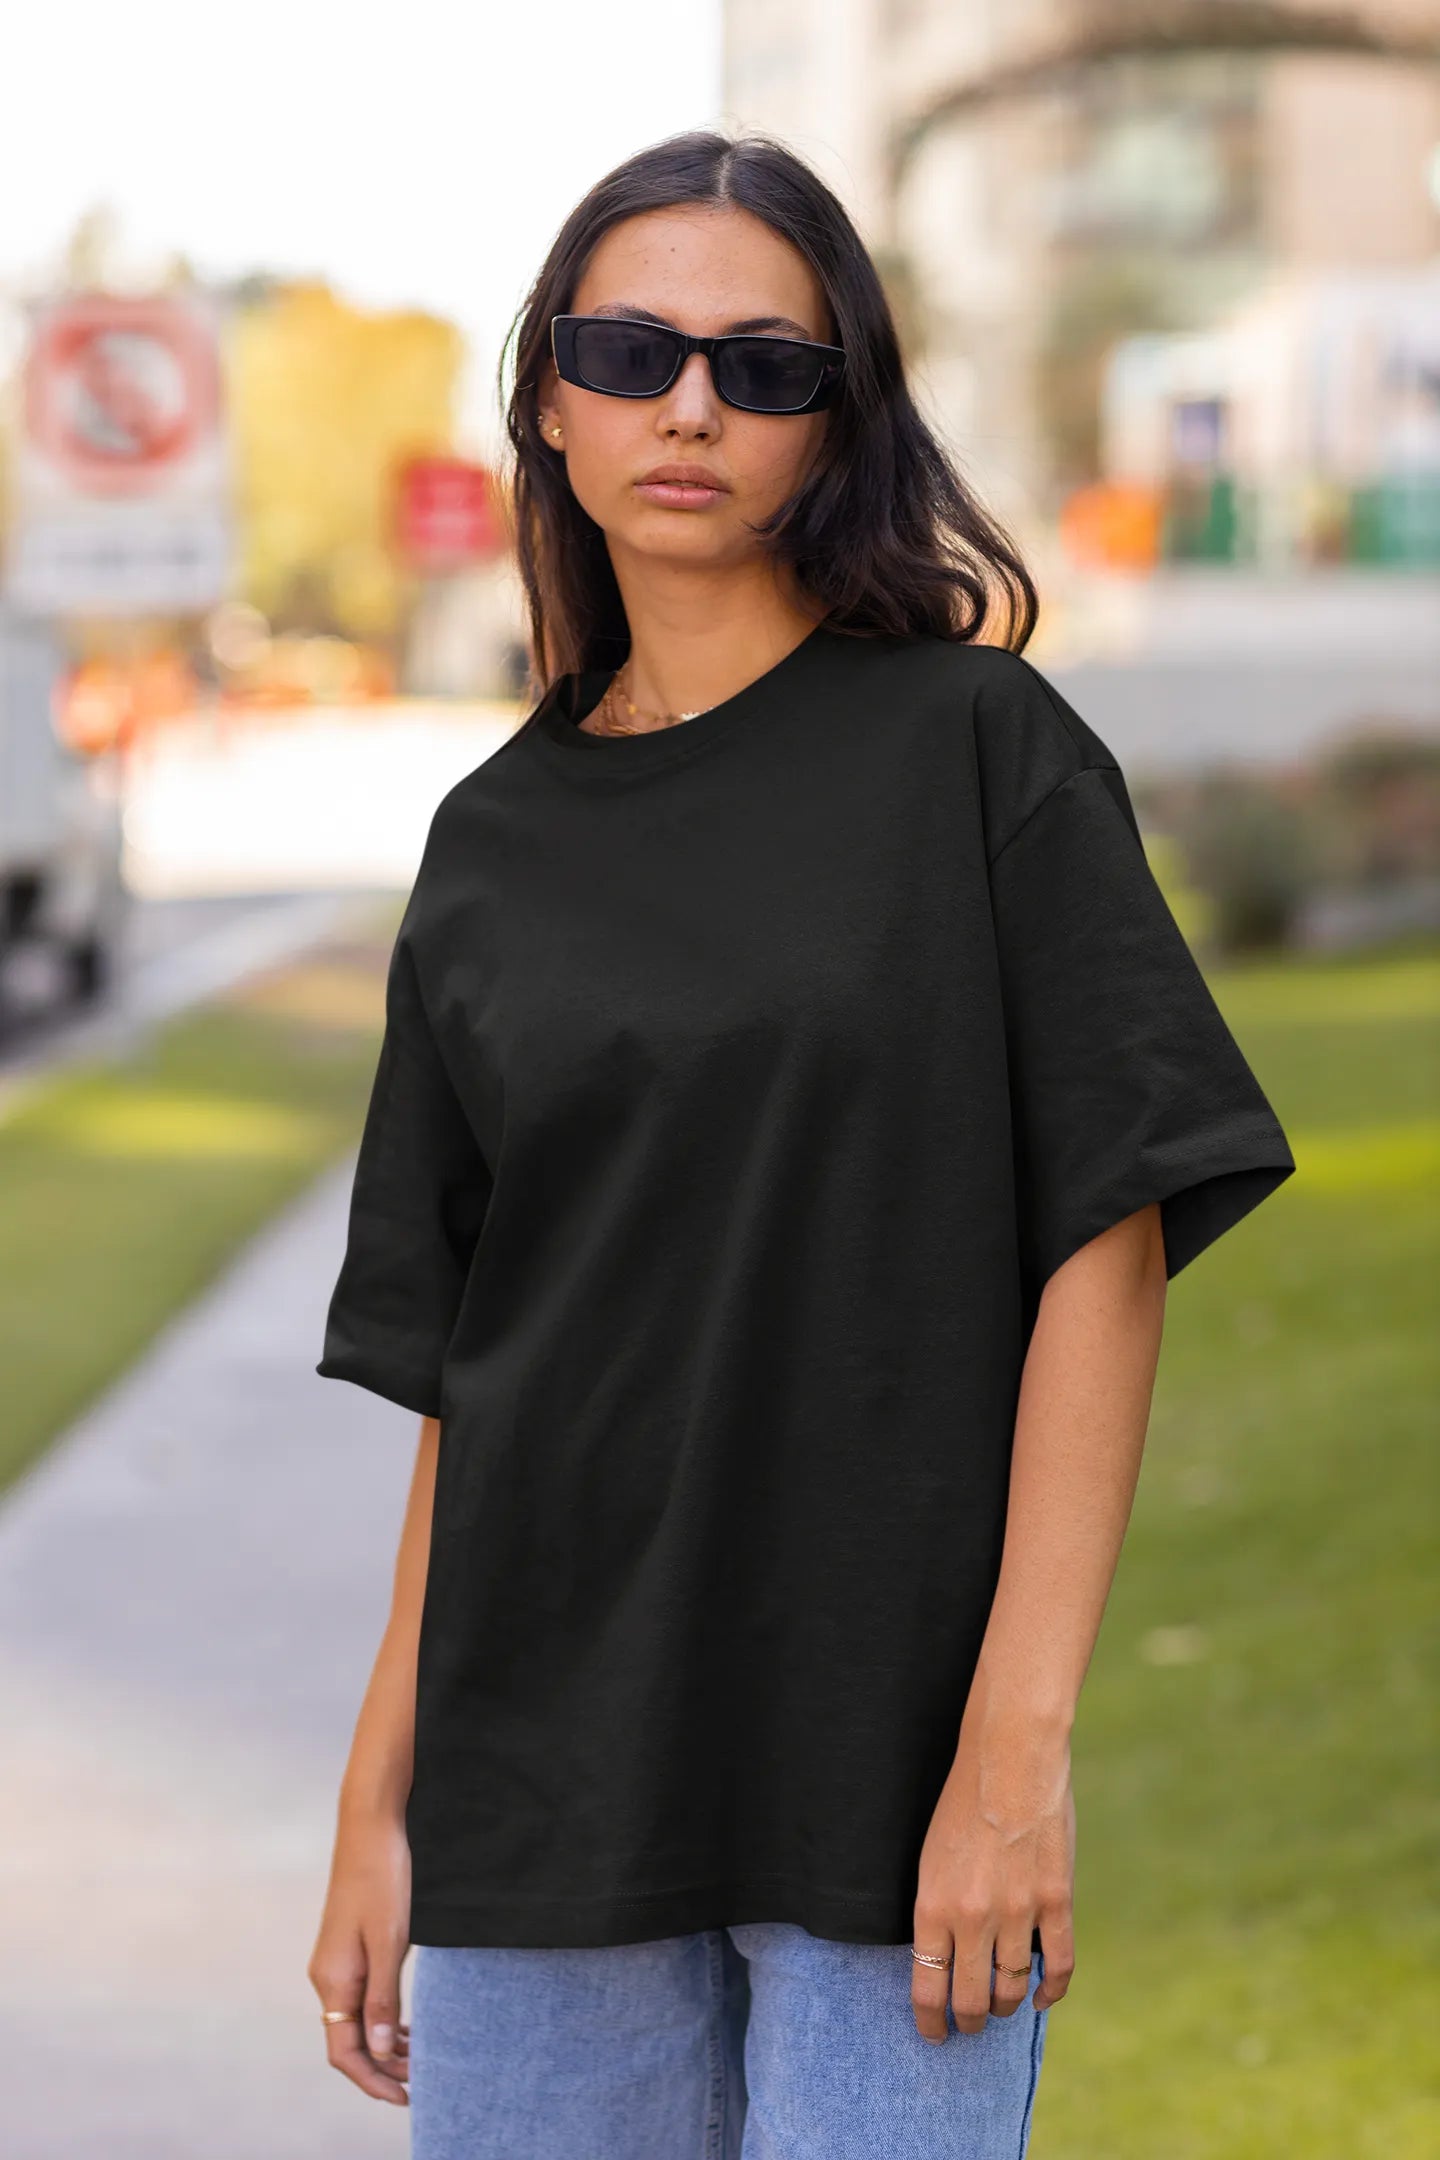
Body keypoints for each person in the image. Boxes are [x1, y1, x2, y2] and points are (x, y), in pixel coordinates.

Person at [306, 128, 1296, 2159]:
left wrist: (1016, 1749)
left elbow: (1100, 1242)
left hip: (894, 1780)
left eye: (766, 366)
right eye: (634, 348)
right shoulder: (488, 844)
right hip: (537, 1796)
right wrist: (375, 1795)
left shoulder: (978, 750)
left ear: (841, 422)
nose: (693, 403)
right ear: (551, 399)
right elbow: (470, 1369)